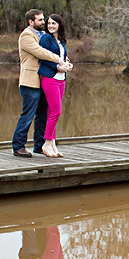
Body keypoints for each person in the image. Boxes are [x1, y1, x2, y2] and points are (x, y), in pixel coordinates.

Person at [11, 9, 69, 157]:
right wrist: (59, 60)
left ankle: (39, 145)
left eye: (44, 20)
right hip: (30, 82)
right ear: (31, 22)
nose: (43, 22)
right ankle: (18, 146)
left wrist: (65, 62)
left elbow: (54, 48)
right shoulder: (26, 36)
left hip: (43, 80)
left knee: (43, 115)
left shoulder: (43, 35)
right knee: (28, 115)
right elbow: (40, 52)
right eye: (40, 20)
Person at [37, 14, 73, 157]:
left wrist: (67, 64)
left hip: (61, 79)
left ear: (59, 25)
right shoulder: (46, 38)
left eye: (54, 23)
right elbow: (42, 57)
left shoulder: (61, 41)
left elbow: (62, 58)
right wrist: (56, 67)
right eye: (49, 23)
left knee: (53, 113)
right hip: (50, 78)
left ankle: (52, 144)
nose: (51, 26)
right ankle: (46, 143)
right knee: (56, 112)